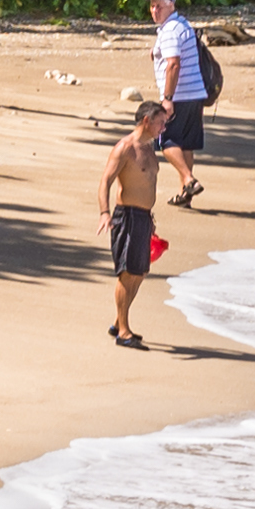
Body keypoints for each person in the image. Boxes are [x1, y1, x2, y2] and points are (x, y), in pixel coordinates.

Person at [88, 97, 169, 347]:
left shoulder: (149, 146)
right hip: (128, 216)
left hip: (143, 217)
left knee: (141, 271)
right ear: (146, 121)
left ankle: (118, 321)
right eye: (160, 123)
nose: (163, 128)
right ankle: (124, 331)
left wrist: (150, 219)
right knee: (128, 272)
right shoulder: (125, 147)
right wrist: (104, 212)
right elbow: (105, 181)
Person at [144, 0, 221, 206]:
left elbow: (173, 64)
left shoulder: (169, 30)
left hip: (179, 95)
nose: (155, 10)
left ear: (171, 5)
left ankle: (188, 180)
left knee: (165, 140)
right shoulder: (182, 25)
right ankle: (185, 194)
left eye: (159, 5)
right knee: (185, 144)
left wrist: (167, 98)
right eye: (152, 6)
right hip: (195, 93)